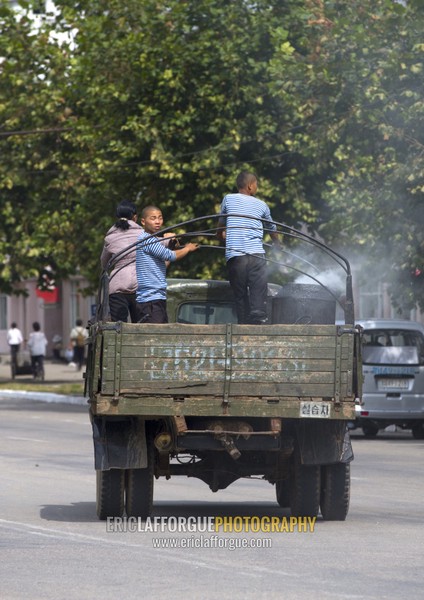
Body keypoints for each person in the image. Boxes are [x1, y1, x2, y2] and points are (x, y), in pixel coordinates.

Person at [217, 171, 280, 324]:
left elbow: (221, 226)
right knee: (258, 290)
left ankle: (243, 323)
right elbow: (272, 228)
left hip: (236, 256)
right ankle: (258, 317)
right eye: (257, 184)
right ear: (251, 186)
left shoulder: (228, 199)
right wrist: (277, 244)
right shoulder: (262, 205)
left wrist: (220, 235)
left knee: (240, 294)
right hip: (256, 255)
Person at [136, 205, 199, 323]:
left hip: (157, 298)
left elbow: (164, 263)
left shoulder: (153, 240)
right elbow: (170, 256)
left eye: (160, 218)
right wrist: (187, 249)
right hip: (150, 300)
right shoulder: (147, 240)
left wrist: (172, 245)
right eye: (153, 218)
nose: (158, 222)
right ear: (143, 221)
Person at [100, 200, 144, 322]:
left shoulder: (110, 238)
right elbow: (160, 245)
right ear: (135, 217)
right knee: (141, 326)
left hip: (117, 288)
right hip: (139, 286)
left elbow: (104, 263)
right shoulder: (143, 235)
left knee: (118, 329)